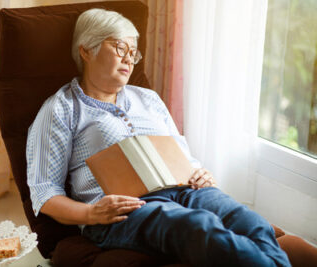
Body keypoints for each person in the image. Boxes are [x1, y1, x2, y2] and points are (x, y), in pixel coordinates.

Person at [26, 8, 290, 267]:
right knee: (198, 226)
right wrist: (91, 214)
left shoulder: (148, 99)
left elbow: (183, 154)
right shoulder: (61, 108)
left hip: (186, 191)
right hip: (124, 210)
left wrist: (199, 172)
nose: (129, 59)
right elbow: (44, 191)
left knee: (248, 220)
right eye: (120, 48)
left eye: (133, 53)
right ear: (86, 50)